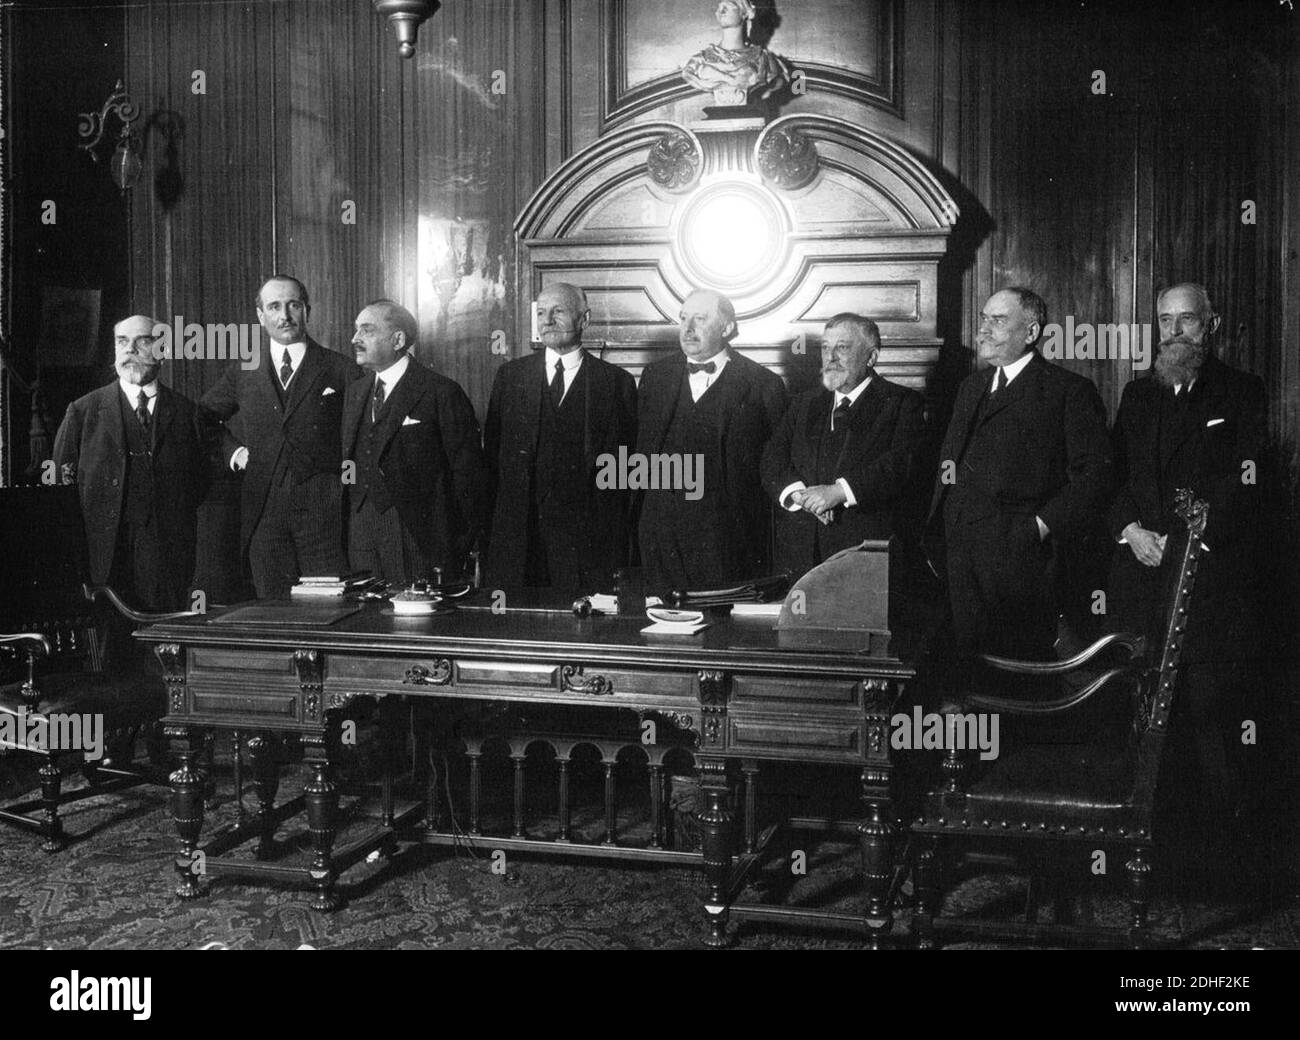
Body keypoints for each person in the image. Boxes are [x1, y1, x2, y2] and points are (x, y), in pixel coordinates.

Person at [1106, 282, 1266, 828]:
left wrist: (1188, 535)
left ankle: (1213, 842)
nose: (1175, 331)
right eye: (1166, 321)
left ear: (1211, 324)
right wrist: (1129, 529)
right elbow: (1113, 476)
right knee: (1136, 698)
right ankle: (1139, 826)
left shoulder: (1242, 392)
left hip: (1205, 575)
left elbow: (1244, 479)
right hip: (1139, 569)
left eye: (1188, 320)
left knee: (1205, 707)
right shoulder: (1137, 394)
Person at [929, 287, 1112, 660]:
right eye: (983, 319)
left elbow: (1095, 475)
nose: (984, 330)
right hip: (959, 559)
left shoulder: (1068, 391)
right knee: (967, 677)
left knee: (1018, 683)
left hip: (1022, 565)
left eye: (998, 321)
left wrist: (1037, 529)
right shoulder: (971, 387)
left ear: (1030, 333)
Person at [200, 276, 360, 597]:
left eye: (293, 305)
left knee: (328, 609)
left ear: (307, 311)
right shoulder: (244, 370)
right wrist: (235, 453)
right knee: (273, 611)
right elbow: (202, 419)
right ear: (261, 316)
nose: (284, 315)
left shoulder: (341, 369)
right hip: (264, 515)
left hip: (324, 517)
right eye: (274, 306)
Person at [483, 283, 637, 594]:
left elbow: (626, 472)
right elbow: (491, 461)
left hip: (587, 545)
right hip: (518, 541)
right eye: (541, 312)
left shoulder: (616, 383)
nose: (547, 320)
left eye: (559, 311)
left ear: (585, 319)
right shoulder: (511, 377)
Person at [636, 287, 788, 593]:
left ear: (727, 327)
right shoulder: (655, 376)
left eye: (700, 319)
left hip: (729, 540)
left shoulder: (763, 385)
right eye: (683, 318)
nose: (688, 328)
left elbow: (778, 464)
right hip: (661, 538)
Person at [52, 314, 206, 611]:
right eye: (122, 342)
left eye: (142, 341)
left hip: (167, 561)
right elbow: (61, 493)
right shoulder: (83, 412)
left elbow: (199, 486)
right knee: (111, 651)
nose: (129, 349)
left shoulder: (187, 413)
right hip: (103, 564)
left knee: (162, 648)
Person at [761, 313, 925, 578]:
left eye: (843, 348)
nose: (831, 358)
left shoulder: (903, 403)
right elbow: (772, 458)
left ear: (871, 357)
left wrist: (839, 492)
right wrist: (801, 497)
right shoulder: (804, 403)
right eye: (826, 348)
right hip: (801, 555)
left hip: (864, 557)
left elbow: (900, 465)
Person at [342, 299, 486, 584]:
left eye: (367, 331)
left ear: (398, 339)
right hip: (361, 533)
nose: (355, 339)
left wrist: (458, 543)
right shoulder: (355, 392)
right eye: (356, 330)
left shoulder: (441, 392)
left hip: (419, 536)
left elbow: (468, 476)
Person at [682, 0, 788, 103]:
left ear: (744, 13)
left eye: (728, 6)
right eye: (719, 7)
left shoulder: (763, 59)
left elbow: (772, 78)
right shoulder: (699, 60)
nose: (720, 11)